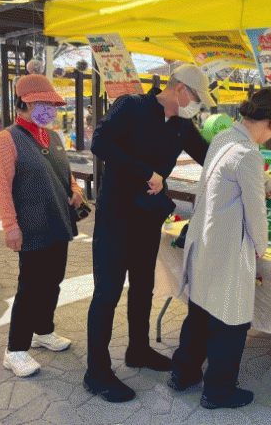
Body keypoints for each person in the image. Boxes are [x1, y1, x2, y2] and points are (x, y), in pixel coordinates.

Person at [84, 64, 216, 403]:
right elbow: (100, 142)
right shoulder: (132, 106)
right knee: (108, 291)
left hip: (147, 216)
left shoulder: (182, 126)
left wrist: (252, 165)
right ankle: (96, 372)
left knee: (143, 286)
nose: (197, 105)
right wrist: (145, 171)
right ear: (181, 89)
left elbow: (209, 156)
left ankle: (138, 350)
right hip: (116, 213)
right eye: (197, 98)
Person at [170, 88, 271, 410]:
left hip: (204, 238)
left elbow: (238, 174)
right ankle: (218, 391)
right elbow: (255, 210)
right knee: (229, 322)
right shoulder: (248, 153)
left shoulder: (225, 138)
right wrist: (261, 246)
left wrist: (266, 181)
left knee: (199, 312)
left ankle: (183, 374)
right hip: (227, 245)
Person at [0, 74, 84, 377]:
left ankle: (43, 331)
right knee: (30, 286)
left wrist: (75, 189)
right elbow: (2, 187)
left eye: (52, 104)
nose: (50, 109)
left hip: (58, 220)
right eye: (44, 103)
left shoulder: (53, 137)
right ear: (25, 103)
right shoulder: (7, 139)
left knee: (53, 280)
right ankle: (15, 350)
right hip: (31, 226)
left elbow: (66, 174)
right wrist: (10, 226)